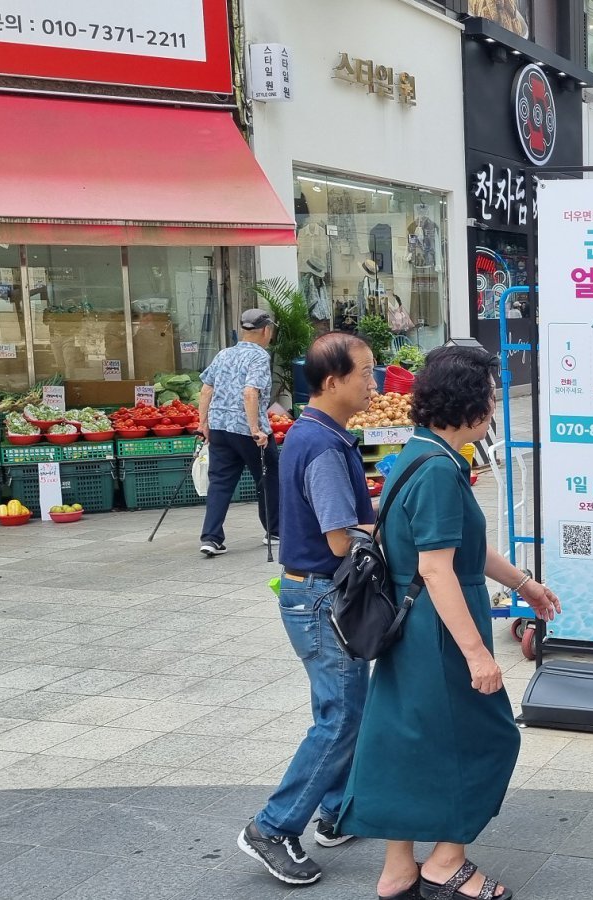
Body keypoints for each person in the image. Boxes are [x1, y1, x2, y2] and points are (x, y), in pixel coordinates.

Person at [338, 344, 560, 900]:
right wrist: (478, 655)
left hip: (407, 630)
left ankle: (397, 871)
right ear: (475, 405)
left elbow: (464, 548)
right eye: (489, 395)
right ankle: (446, 862)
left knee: (409, 743)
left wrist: (523, 584)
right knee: (486, 739)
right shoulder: (441, 469)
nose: (492, 405)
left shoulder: (415, 454)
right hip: (439, 633)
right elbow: (438, 570)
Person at [237, 332, 378, 886]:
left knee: (345, 708)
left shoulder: (315, 432)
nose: (375, 382)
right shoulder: (321, 445)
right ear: (331, 381)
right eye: (365, 373)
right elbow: (341, 540)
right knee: (340, 716)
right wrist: (389, 520)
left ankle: (337, 811)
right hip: (321, 595)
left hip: (313, 592)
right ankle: (271, 827)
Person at [197, 308, 280, 556]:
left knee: (220, 482)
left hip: (220, 427)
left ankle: (210, 538)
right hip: (248, 431)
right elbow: (250, 392)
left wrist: (203, 424)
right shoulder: (259, 357)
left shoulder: (224, 354)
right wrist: (256, 429)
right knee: (270, 477)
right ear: (266, 330)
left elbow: (206, 389)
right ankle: (274, 530)